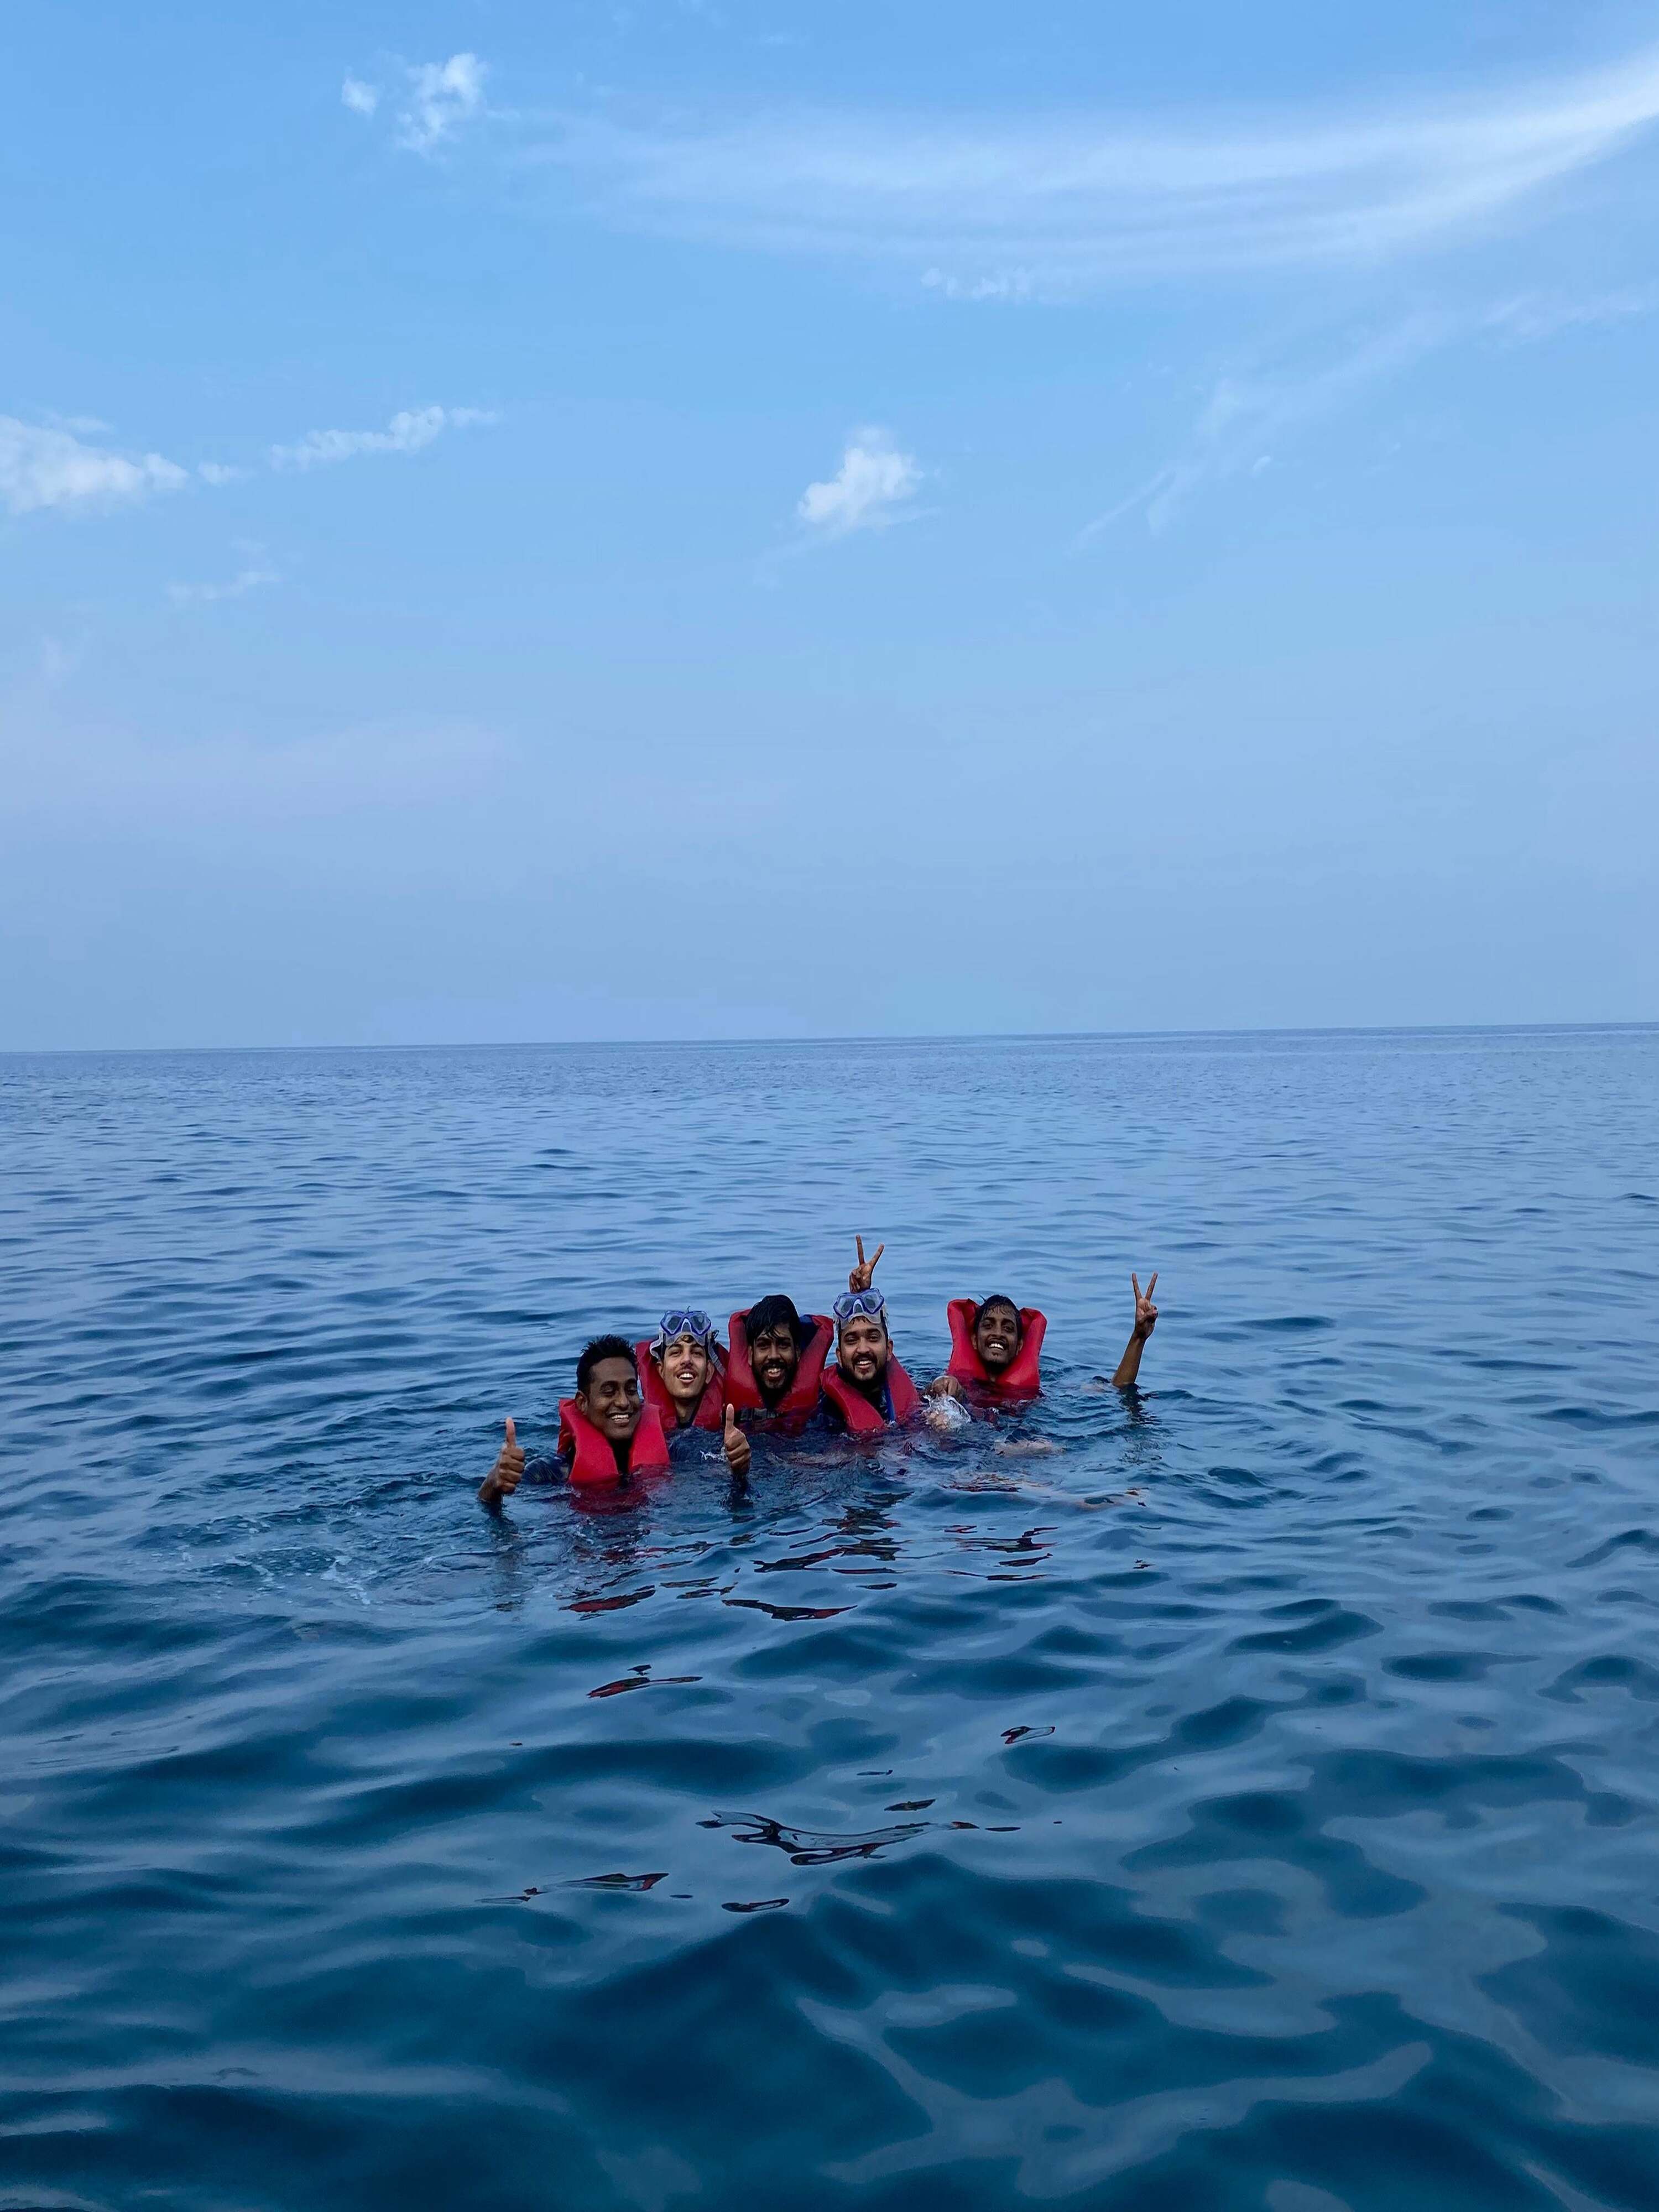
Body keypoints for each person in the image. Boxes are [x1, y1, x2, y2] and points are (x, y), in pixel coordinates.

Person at [478, 1331, 748, 1503]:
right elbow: (494, 1504)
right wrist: (493, 1483)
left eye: (631, 1390)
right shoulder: (552, 1472)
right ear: (582, 1403)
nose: (623, 1402)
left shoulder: (675, 1450)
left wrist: (737, 1468)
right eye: (609, 1392)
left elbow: (722, 1479)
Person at [929, 1274, 1162, 1402]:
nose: (998, 1333)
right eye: (989, 1326)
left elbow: (1117, 1388)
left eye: (1008, 1328)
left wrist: (1138, 1338)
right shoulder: (952, 1385)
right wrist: (940, 1387)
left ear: (1020, 1345)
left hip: (1017, 1444)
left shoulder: (1042, 1389)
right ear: (973, 1340)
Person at [634, 1307, 753, 1476]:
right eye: (676, 1352)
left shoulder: (733, 1429)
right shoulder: (635, 1423)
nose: (687, 1360)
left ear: (709, 1371)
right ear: (660, 1370)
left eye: (696, 1353)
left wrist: (740, 1469)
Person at [724, 1292, 835, 1434]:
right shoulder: (725, 1393)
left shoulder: (826, 1403)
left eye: (783, 1345)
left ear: (797, 1351)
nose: (774, 1356)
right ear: (751, 1354)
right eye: (764, 1345)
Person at [821, 1285, 923, 1433]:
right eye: (851, 1340)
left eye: (873, 1338)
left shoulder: (920, 1398)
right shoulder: (822, 1415)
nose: (863, 1349)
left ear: (889, 1350)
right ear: (839, 1357)